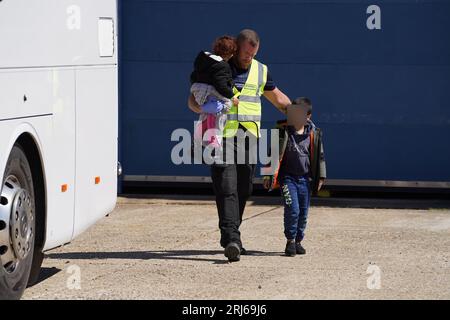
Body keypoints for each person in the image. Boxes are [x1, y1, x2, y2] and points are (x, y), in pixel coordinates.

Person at [188, 29, 292, 262]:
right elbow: (193, 100)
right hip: (219, 136)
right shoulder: (217, 67)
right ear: (237, 48)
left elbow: (278, 98)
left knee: (244, 189)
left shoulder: (260, 70)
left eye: (252, 54)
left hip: (248, 138)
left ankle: (231, 235)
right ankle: (232, 238)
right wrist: (204, 109)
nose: (248, 59)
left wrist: (297, 114)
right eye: (245, 54)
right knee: (226, 187)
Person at [263, 97, 327, 257]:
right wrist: (267, 175)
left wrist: (321, 176)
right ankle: (290, 241)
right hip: (287, 179)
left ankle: (298, 240)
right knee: (293, 209)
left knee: (303, 212)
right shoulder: (282, 132)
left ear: (308, 116)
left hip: (305, 179)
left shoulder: (314, 133)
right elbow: (271, 154)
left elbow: (320, 156)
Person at [190, 36, 239, 152]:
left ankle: (197, 140)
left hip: (197, 90)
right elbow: (221, 85)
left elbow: (193, 76)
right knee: (225, 107)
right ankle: (214, 145)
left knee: (206, 116)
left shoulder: (203, 60)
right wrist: (232, 97)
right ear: (229, 53)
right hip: (209, 92)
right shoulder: (222, 65)